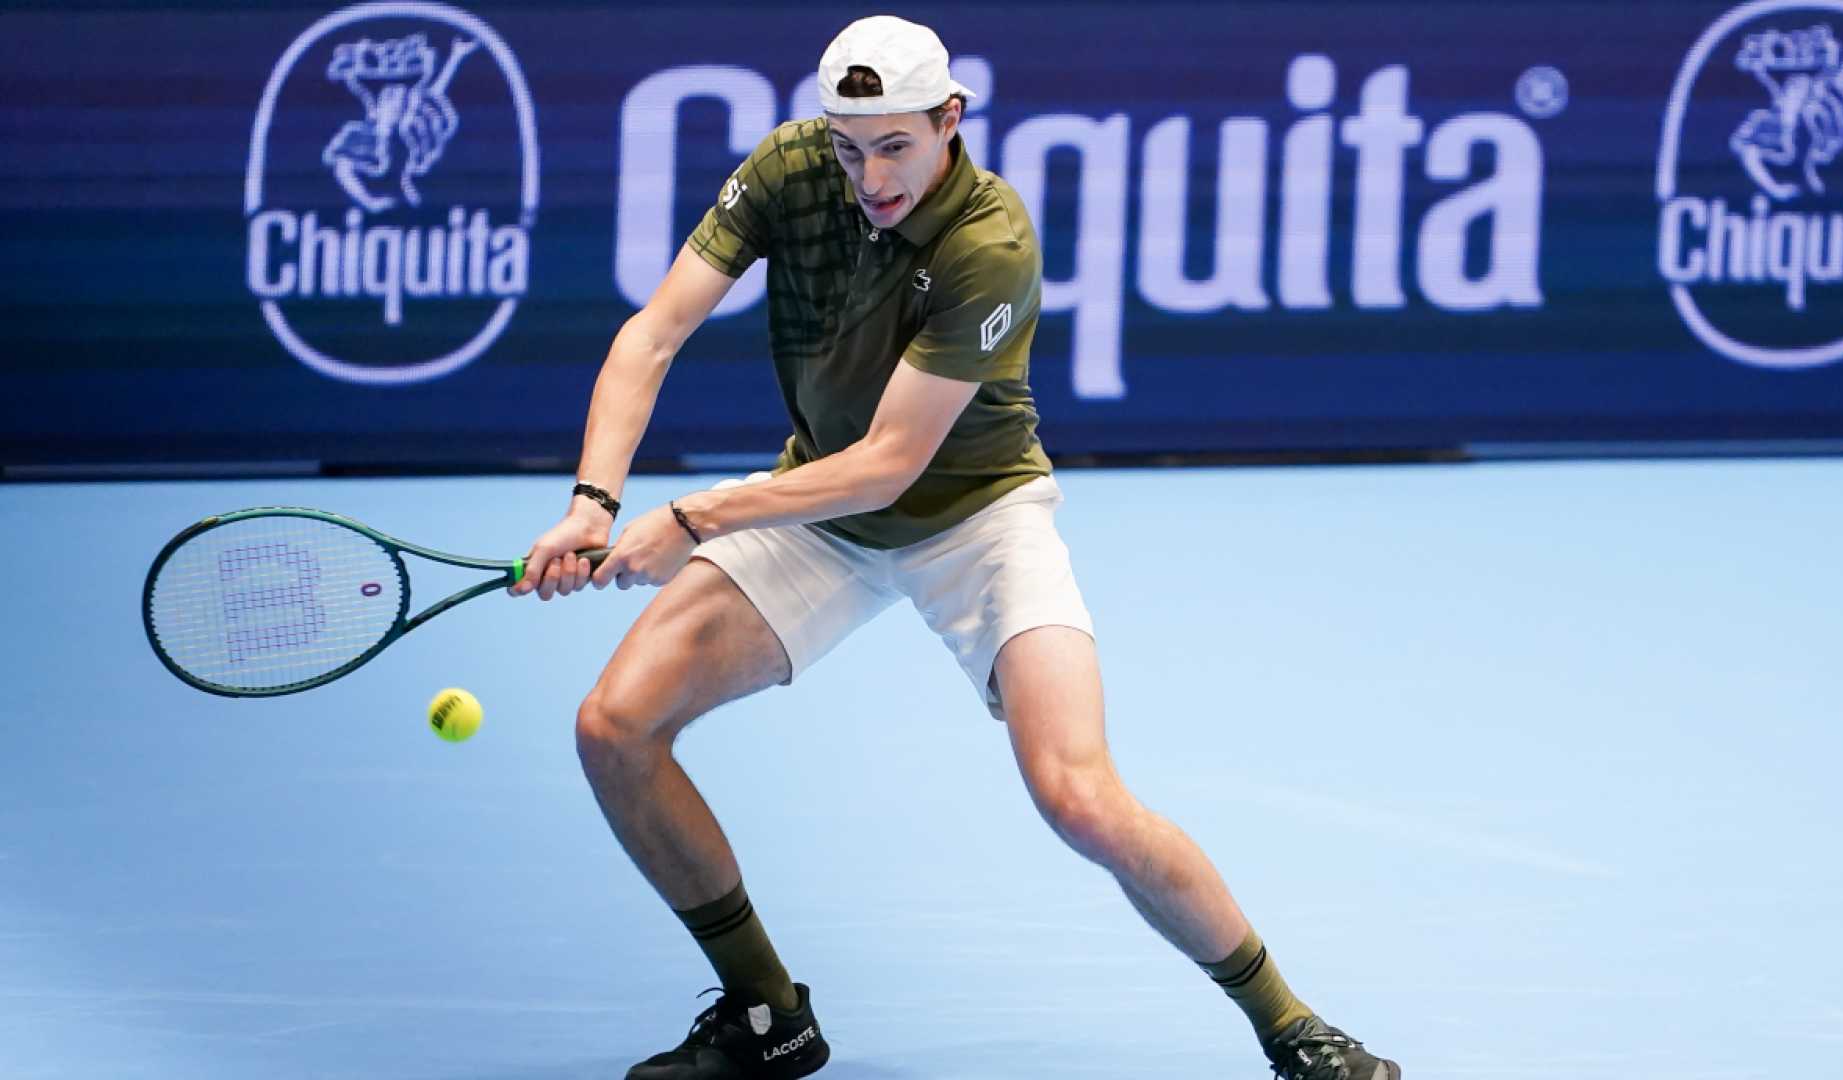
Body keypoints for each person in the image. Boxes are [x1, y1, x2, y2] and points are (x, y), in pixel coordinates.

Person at [511, 15, 1401, 1080]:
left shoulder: (991, 242)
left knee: (1077, 794)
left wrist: (696, 518)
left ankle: (1291, 1025)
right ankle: (765, 1013)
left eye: (895, 145)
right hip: (819, 509)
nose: (871, 176)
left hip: (979, 520)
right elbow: (653, 332)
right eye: (850, 148)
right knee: (614, 728)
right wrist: (594, 501)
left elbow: (891, 463)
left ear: (949, 119)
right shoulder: (792, 168)